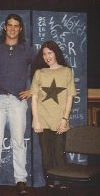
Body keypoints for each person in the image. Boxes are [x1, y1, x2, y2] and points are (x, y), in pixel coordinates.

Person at [0, 13, 34, 195]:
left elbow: (41, 69)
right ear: (5, 27)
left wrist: (32, 90)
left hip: (18, 100)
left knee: (18, 142)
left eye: (16, 26)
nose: (12, 29)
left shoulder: (27, 50)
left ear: (20, 29)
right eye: (10, 25)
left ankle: (20, 180)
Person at [30, 40, 77, 187]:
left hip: (59, 121)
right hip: (42, 120)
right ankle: (50, 185)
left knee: (58, 153)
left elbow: (70, 97)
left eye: (49, 53)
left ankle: (64, 184)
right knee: (46, 155)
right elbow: (34, 98)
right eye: (44, 54)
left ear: (56, 53)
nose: (47, 56)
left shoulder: (67, 71)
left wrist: (65, 119)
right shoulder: (39, 72)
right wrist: (35, 120)